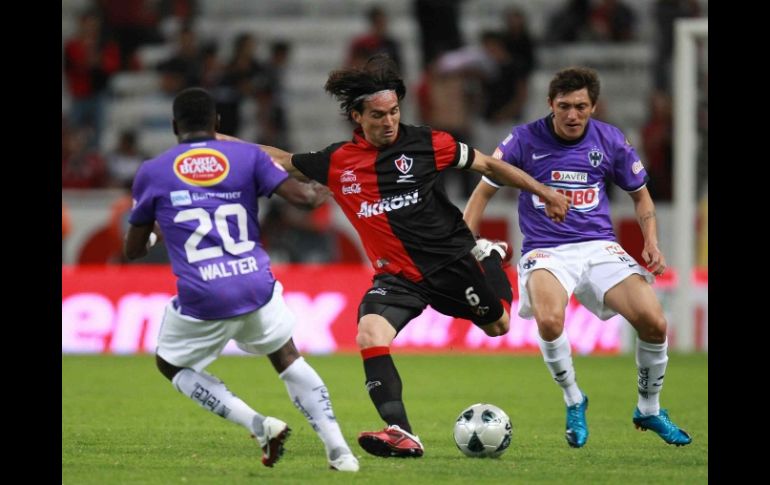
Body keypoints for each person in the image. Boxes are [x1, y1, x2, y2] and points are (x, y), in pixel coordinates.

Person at [223, 54, 570, 458]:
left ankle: (489, 256)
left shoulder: (428, 143)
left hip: (452, 263)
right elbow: (280, 159)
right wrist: (212, 140)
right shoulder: (338, 161)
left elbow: (490, 165)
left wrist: (544, 192)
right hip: (397, 277)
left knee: (499, 325)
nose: (389, 121)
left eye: (394, 112)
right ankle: (401, 432)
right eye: (378, 115)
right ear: (357, 116)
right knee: (370, 334)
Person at [123, 87, 359, 472]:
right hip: (255, 284)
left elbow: (133, 250)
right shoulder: (248, 156)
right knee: (286, 356)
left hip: (203, 296)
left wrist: (155, 233)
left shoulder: (154, 171)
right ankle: (340, 452)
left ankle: (258, 424)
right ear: (217, 122)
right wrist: (334, 180)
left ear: (174, 126)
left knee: (170, 365)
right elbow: (306, 200)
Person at [462, 66, 692, 448]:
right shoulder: (523, 140)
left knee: (654, 322)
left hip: (599, 246)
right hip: (546, 249)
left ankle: (649, 409)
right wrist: (466, 243)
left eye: (581, 107)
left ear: (593, 107)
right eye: (564, 106)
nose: (572, 115)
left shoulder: (610, 140)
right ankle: (574, 400)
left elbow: (641, 196)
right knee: (550, 320)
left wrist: (651, 241)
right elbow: (483, 190)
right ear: (550, 104)